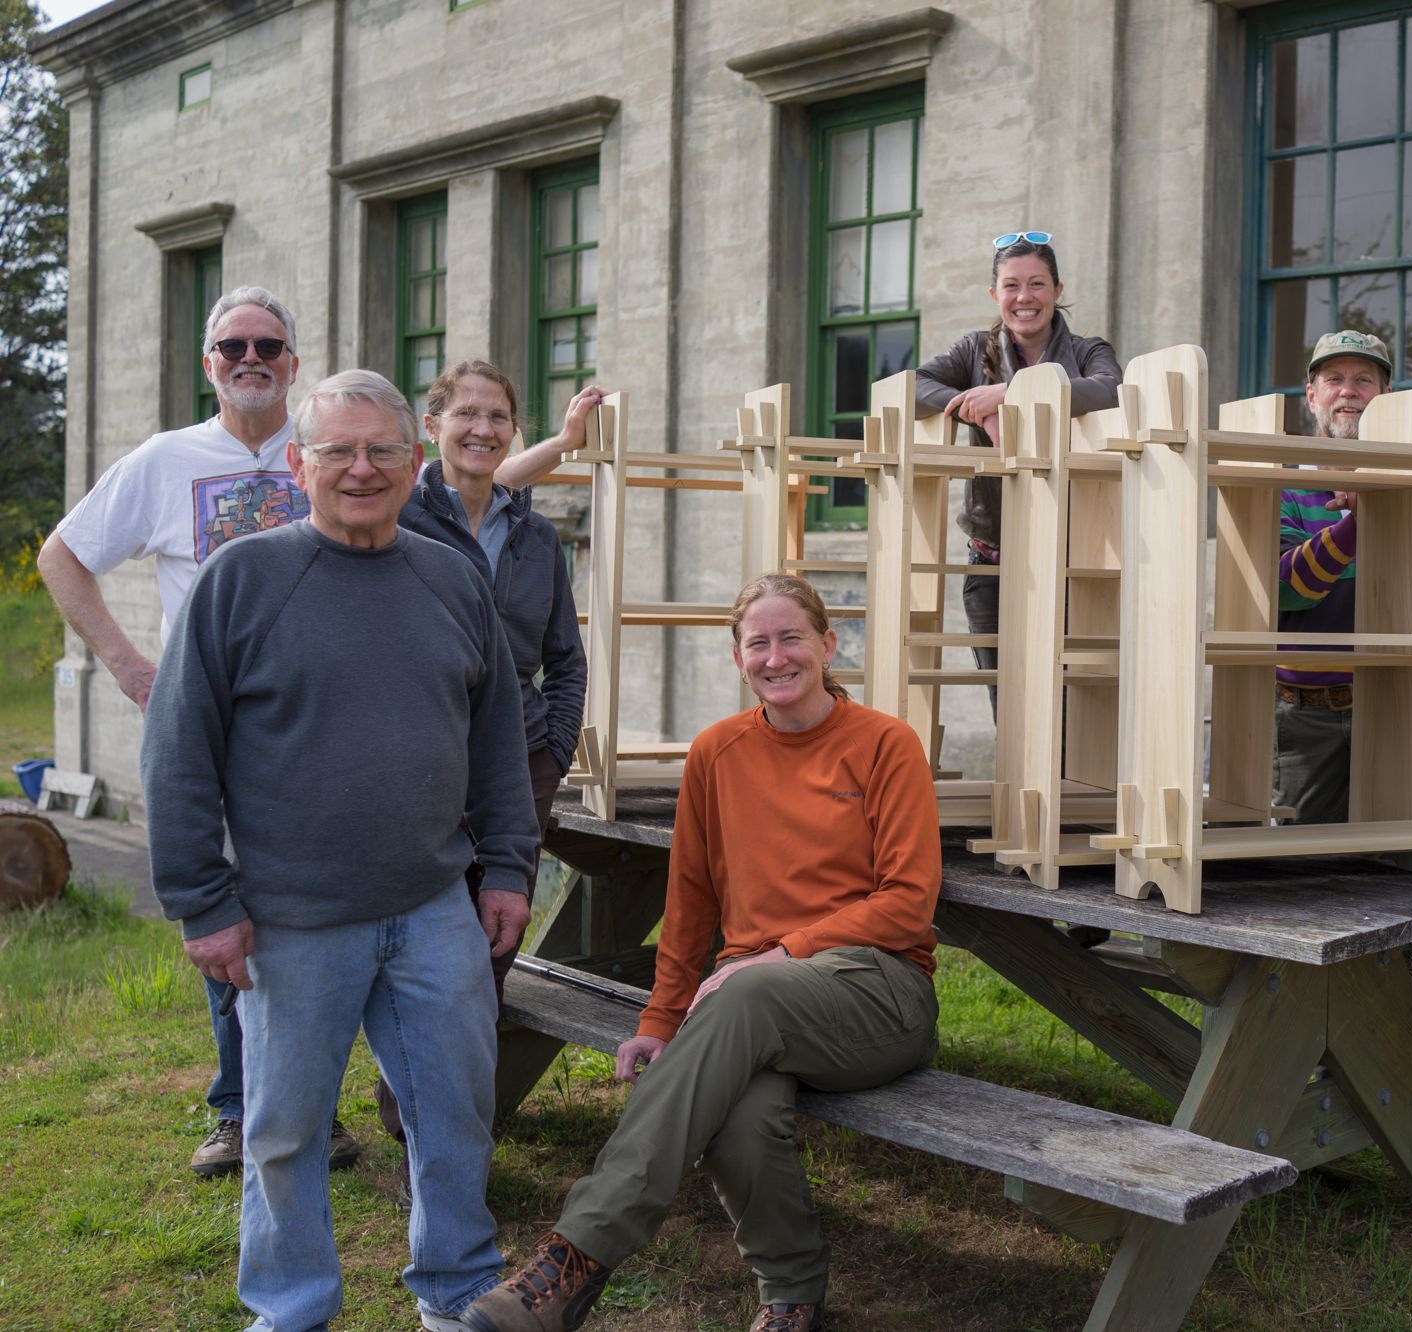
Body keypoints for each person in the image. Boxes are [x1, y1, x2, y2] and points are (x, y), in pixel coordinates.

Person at [141, 368, 541, 1332]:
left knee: (454, 1117)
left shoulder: (449, 578)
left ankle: (452, 1297)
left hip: (433, 907)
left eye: (382, 451)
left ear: (415, 461)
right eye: (338, 451)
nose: (361, 470)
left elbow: (495, 740)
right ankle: (290, 1311)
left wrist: (511, 865)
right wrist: (204, 901)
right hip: (291, 916)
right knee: (284, 1133)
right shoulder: (243, 580)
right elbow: (177, 747)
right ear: (298, 463)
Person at [464, 573, 942, 1332]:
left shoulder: (884, 743)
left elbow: (907, 901)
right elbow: (690, 902)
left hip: (876, 989)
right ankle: (791, 1293)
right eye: (759, 643)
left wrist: (781, 954)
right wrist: (658, 1020)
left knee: (740, 994)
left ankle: (575, 1255)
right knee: (740, 1112)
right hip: (751, 1005)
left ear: (828, 643)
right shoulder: (718, 753)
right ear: (736, 656)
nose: (776, 656)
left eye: (793, 638)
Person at [35, 285, 376, 1176]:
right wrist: (128, 664)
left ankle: (312, 1105)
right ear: (209, 364)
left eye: (269, 345)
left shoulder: (325, 452)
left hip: (320, 726)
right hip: (213, 728)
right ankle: (238, 1108)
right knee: (227, 916)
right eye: (233, 348)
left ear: (294, 363)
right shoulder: (166, 459)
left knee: (319, 912)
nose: (251, 359)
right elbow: (60, 556)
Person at [375, 358, 589, 1196]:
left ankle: (445, 1139)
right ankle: (419, 1141)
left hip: (518, 768)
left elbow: (566, 659)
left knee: (489, 949)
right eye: (464, 413)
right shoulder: (397, 516)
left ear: (512, 430)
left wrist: (555, 748)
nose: (481, 428)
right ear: (431, 426)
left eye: (497, 415)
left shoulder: (535, 537)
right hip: (420, 763)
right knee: (422, 951)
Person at [914, 232, 1121, 708]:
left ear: (1058, 290)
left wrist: (1009, 394)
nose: (1024, 298)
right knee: (1008, 709)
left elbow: (1112, 389)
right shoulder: (972, 351)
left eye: (1037, 284)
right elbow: (913, 386)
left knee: (1072, 713)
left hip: (1075, 565)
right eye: (1011, 286)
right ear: (995, 295)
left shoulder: (1089, 351)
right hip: (992, 565)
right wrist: (971, 406)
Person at [1272, 329, 1412, 825]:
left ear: (1385, 397)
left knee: (1395, 865)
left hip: (1399, 703)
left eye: (1364, 380)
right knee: (1296, 872)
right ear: (1312, 396)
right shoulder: (1282, 483)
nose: (1349, 391)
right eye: (1334, 379)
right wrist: (1362, 525)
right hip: (1303, 719)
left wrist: (1393, 518)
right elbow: (1285, 591)